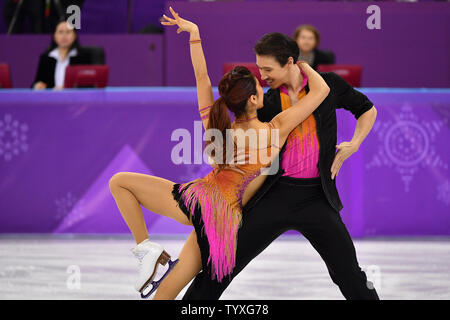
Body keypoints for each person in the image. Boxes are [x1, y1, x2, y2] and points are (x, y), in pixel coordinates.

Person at [108, 6, 329, 300]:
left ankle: (146, 250)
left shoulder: (218, 126)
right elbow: (322, 90)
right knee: (176, 290)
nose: (264, 83)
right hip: (222, 220)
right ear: (253, 98)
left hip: (197, 202)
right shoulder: (276, 129)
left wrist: (194, 35)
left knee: (119, 182)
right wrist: (297, 64)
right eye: (259, 86)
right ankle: (148, 256)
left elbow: (201, 78)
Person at [181, 32, 379, 300]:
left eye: (267, 69)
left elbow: (366, 109)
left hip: (317, 198)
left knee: (349, 274)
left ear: (289, 62)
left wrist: (354, 143)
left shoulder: (329, 84)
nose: (262, 76)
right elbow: (239, 126)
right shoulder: (267, 101)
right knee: (221, 268)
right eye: (259, 69)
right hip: (274, 195)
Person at [31, 20, 91, 90]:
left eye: (68, 32)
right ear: (54, 36)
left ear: (75, 36)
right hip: (51, 98)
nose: (64, 36)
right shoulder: (46, 58)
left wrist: (65, 88)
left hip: (75, 98)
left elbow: (88, 85)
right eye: (60, 32)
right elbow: (38, 82)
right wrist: (37, 86)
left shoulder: (83, 57)